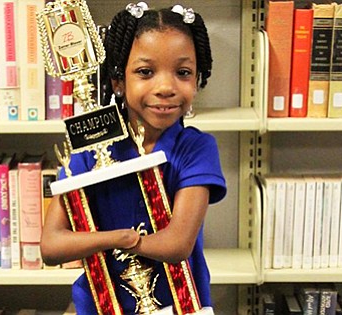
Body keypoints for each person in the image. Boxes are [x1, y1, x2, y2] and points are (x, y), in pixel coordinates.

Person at [41, 2, 227, 314]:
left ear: (197, 80)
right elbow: (51, 246)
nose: (166, 87)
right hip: (99, 306)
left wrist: (105, 241)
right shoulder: (89, 152)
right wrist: (124, 237)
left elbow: (178, 244)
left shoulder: (195, 148)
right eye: (145, 72)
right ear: (117, 81)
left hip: (178, 306)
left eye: (183, 73)